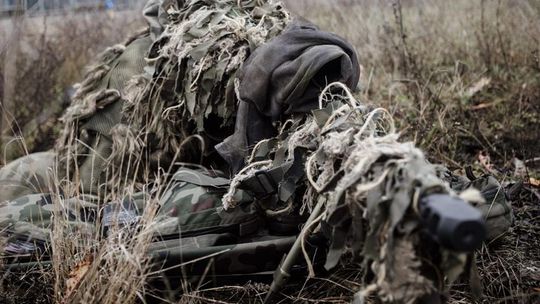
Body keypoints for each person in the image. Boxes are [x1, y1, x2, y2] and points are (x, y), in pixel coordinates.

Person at [0, 0, 513, 301]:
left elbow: (287, 80)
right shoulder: (145, 53)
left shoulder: (221, 35)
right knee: (21, 176)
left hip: (137, 180)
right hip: (86, 173)